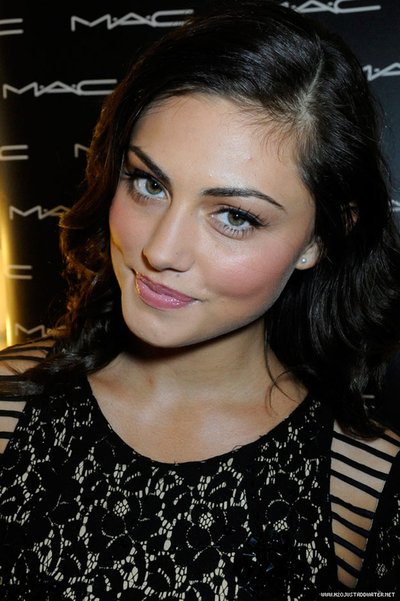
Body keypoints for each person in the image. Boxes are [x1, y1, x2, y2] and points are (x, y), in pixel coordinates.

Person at [0, 1, 399, 598]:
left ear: (319, 238)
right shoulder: (7, 406)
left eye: (235, 216)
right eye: (148, 183)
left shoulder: (365, 491)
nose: (161, 250)